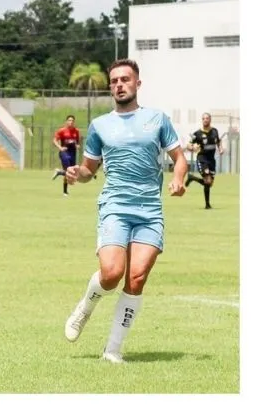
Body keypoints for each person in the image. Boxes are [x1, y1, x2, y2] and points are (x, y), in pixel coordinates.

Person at [62, 59, 188, 364]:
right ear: (111, 87)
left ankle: (113, 349)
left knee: (137, 276)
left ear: (137, 84)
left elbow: (179, 158)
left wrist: (178, 178)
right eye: (115, 80)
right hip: (115, 207)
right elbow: (90, 170)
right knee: (112, 273)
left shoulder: (157, 120)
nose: (120, 84)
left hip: (150, 210)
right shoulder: (100, 126)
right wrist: (77, 173)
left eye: (125, 79)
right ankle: (86, 306)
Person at [185, 113, 223, 209]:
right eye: (203, 119)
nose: (205, 120)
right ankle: (207, 205)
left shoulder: (215, 131)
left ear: (210, 119)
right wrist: (192, 147)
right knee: (207, 180)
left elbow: (218, 142)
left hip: (212, 161)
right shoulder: (197, 134)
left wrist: (221, 148)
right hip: (202, 159)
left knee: (209, 183)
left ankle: (192, 178)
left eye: (207, 118)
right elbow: (188, 145)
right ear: (202, 120)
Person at [51, 115, 81, 196]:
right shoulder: (62, 131)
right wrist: (60, 147)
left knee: (72, 172)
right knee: (68, 171)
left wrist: (78, 145)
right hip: (65, 152)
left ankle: (60, 175)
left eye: (72, 121)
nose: (71, 122)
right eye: (69, 120)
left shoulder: (76, 131)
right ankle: (64, 191)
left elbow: (78, 142)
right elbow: (54, 140)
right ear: (66, 121)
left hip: (73, 153)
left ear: (74, 122)